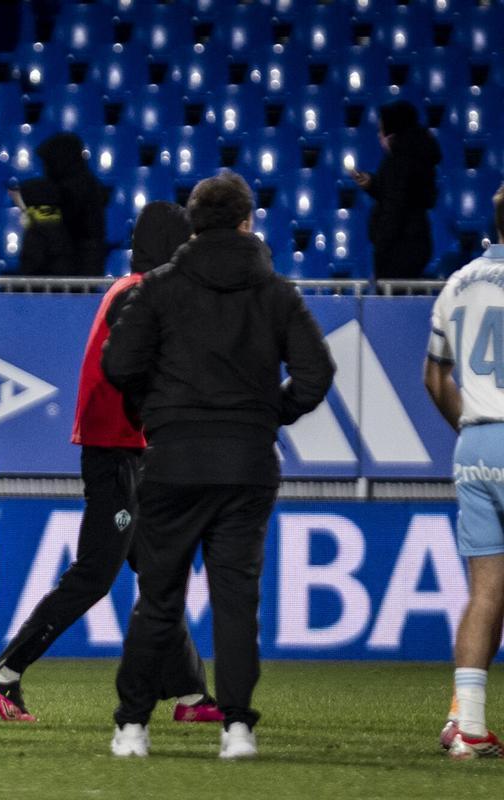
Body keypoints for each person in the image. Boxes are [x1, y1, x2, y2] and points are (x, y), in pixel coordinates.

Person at [104, 171, 335, 759]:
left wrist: (156, 412)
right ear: (246, 222)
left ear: (193, 225)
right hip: (247, 464)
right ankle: (237, 728)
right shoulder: (277, 293)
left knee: (159, 599)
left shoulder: (158, 288)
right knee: (237, 601)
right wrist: (266, 414)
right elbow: (316, 373)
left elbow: (119, 364)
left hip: (173, 461)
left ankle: (132, 727)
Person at [0, 201, 222, 724]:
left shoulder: (134, 290)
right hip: (115, 454)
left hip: (124, 451)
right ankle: (4, 673)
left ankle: (190, 695)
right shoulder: (138, 294)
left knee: (157, 574)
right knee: (93, 576)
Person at [425, 183, 504, 760]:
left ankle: (469, 728)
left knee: (485, 593)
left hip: (473, 446)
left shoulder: (458, 283)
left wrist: (472, 433)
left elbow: (434, 378)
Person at [349, 99, 442, 281]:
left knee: (391, 305)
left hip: (399, 249)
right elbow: (404, 194)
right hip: (417, 242)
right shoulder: (418, 159)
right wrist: (372, 184)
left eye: (381, 130)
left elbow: (394, 208)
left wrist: (381, 254)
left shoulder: (398, 162)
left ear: (392, 133)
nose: (378, 136)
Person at [35, 132, 109, 276]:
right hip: (68, 265)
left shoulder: (80, 187)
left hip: (79, 267)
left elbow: (64, 219)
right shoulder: (81, 184)